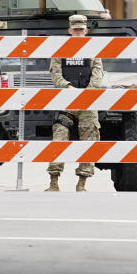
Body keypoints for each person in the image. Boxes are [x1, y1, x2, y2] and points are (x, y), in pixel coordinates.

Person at [47, 14, 104, 192]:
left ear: (86, 31)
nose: (78, 33)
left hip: (87, 102)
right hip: (66, 101)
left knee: (89, 140)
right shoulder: (60, 50)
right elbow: (55, 75)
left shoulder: (94, 51)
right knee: (59, 138)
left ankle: (82, 183)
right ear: (70, 30)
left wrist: (87, 94)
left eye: (81, 30)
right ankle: (54, 182)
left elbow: (98, 75)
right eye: (75, 30)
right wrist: (68, 87)